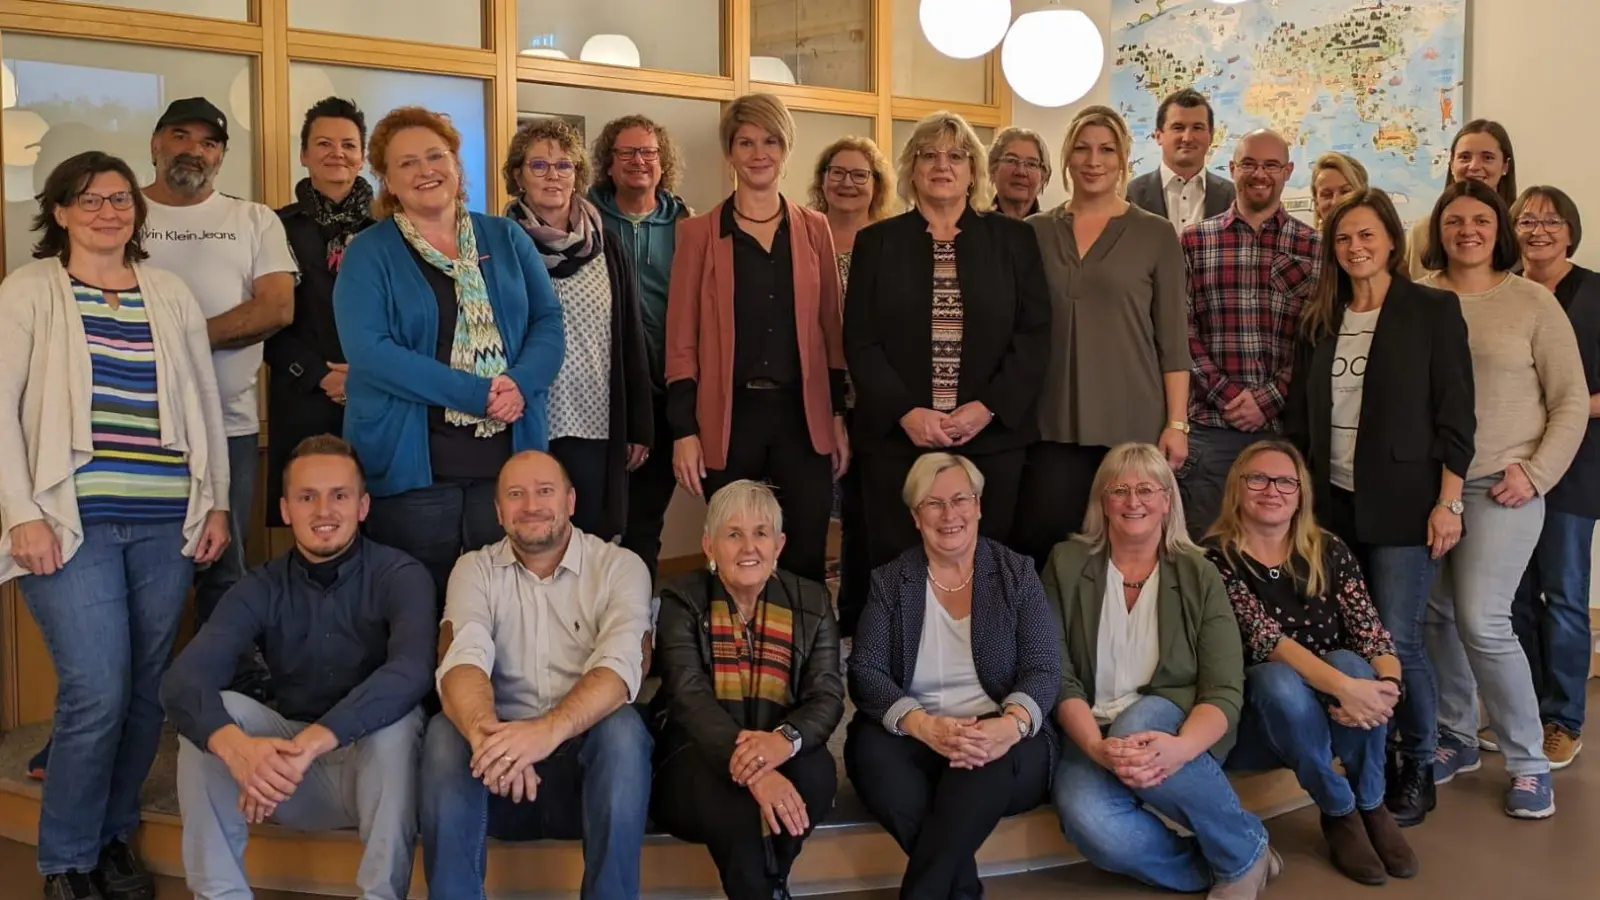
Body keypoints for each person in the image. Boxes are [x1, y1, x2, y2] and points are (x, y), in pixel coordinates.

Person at [0, 151, 231, 900]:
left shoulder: (167, 292)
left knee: (141, 694)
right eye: (89, 200)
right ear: (61, 212)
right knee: (96, 688)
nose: (109, 211)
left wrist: (216, 500)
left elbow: (204, 403)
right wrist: (20, 516)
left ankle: (111, 840)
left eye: (120, 199)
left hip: (167, 522)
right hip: (72, 525)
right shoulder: (29, 290)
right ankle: (65, 858)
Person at [161, 435, 436, 900]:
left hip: (374, 774)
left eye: (339, 496)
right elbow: (183, 679)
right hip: (284, 778)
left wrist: (313, 741)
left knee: (399, 724)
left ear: (363, 506)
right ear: (286, 509)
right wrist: (237, 750)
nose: (323, 511)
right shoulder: (260, 586)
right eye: (307, 497)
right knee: (214, 716)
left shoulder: (401, 575)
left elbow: (410, 671)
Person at [1284, 186, 1474, 825]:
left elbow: (1456, 418)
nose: (1355, 247)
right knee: (1349, 640)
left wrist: (1450, 503)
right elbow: (1301, 419)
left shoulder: (1431, 310)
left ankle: (1418, 759)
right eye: (1343, 238)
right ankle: (1376, 757)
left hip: (1404, 507)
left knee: (1397, 639)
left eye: (1367, 235)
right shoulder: (1321, 315)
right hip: (1331, 506)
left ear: (1392, 240)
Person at [333, 106, 565, 611]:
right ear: (387, 180)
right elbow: (370, 352)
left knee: (507, 603)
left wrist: (520, 383)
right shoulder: (368, 253)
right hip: (413, 469)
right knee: (416, 607)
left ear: (457, 166)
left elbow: (548, 322)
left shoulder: (505, 238)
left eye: (436, 156)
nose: (425, 170)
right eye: (407, 163)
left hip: (506, 463)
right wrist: (477, 393)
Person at [1416, 178, 1587, 819]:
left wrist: (1536, 474)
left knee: (1484, 621)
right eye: (1454, 220)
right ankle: (1457, 736)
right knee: (1435, 618)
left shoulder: (1534, 303)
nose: (1467, 231)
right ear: (1440, 229)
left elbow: (1570, 400)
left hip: (1503, 488)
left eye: (1481, 220)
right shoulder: (1420, 298)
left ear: (1499, 230)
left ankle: (1527, 760)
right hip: (1430, 489)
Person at [1043, 442, 1276, 899]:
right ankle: (1237, 857)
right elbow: (1056, 672)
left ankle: (1239, 860)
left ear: (1168, 500)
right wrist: (1094, 745)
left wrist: (1182, 748)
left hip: (1175, 725)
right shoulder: (1066, 564)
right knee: (1086, 817)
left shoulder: (1199, 573)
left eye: (1148, 489)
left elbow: (1224, 688)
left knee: (1137, 721)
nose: (1134, 502)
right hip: (1091, 726)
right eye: (1120, 490)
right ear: (1102, 501)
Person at [420, 450, 654, 900]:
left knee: (624, 730)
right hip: (493, 769)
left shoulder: (620, 568)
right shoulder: (474, 569)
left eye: (544, 491)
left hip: (585, 769)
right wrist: (490, 740)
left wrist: (546, 733)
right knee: (443, 734)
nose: (530, 505)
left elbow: (622, 666)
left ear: (570, 500)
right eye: (515, 494)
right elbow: (462, 658)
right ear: (498, 510)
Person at [845, 453, 1058, 900]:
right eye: (933, 503)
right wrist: (923, 725)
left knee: (980, 760)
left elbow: (1042, 667)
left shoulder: (1016, 573)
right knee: (870, 752)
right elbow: (866, 671)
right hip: (917, 734)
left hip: (1000, 736)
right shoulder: (891, 580)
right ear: (915, 516)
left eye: (960, 499)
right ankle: (960, 889)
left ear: (978, 505)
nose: (949, 514)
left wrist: (1008, 725)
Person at [844, 111, 1051, 570]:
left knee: (987, 566)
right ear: (911, 169)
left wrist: (987, 407)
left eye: (956, 156)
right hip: (899, 439)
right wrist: (906, 412)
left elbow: (1034, 335)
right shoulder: (877, 242)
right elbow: (860, 340)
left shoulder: (1015, 240)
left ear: (974, 171)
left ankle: (985, 645)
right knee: (900, 567)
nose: (943, 165)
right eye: (929, 155)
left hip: (991, 437)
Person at [1207, 441, 1416, 886]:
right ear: (1237, 488)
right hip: (1265, 714)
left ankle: (1372, 803)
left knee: (1357, 664)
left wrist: (1387, 687)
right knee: (1278, 679)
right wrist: (1347, 688)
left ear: (1301, 493)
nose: (1272, 490)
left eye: (1286, 481)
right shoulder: (1214, 558)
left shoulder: (1329, 548)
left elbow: (1370, 630)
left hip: (1340, 703)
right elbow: (1268, 641)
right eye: (1258, 479)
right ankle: (1338, 808)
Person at [665, 93, 848, 585]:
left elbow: (832, 330)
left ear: (785, 149)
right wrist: (684, 431)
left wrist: (837, 416)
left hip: (802, 418)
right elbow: (681, 339)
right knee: (734, 554)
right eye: (745, 142)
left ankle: (805, 658)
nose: (758, 152)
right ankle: (735, 656)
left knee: (805, 549)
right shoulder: (698, 233)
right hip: (730, 418)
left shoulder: (815, 229)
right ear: (730, 153)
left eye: (770, 141)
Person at [140, 97, 297, 629]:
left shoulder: (251, 219)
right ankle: (147, 702)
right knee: (147, 572)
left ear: (221, 157)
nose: (194, 151)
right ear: (156, 144)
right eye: (181, 136)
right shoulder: (119, 213)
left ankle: (221, 693)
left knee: (225, 568)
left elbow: (277, 306)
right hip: (135, 430)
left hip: (229, 428)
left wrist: (180, 340)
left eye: (209, 143)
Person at [649, 480, 844, 900]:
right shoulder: (679, 598)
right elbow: (689, 698)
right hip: (696, 752)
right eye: (733, 534)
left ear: (780, 544)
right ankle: (764, 890)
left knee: (815, 777)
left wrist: (782, 742)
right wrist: (757, 768)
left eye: (760, 533)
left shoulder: (811, 600)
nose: (748, 547)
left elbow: (826, 697)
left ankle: (772, 880)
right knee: (733, 804)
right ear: (709, 545)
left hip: (780, 741)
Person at [1015, 105, 1191, 565]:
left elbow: (1173, 340)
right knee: (1044, 548)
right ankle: (1045, 640)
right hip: (1049, 425)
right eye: (1083, 148)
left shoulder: (1156, 235)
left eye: (1106, 150)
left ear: (1123, 159)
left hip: (1132, 424)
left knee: (1126, 552)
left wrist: (1176, 424)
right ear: (1067, 158)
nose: (1094, 160)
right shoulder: (1032, 233)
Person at [502, 116, 653, 540]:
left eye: (564, 165)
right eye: (539, 166)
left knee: (592, 539)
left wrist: (638, 424)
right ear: (518, 175)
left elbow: (630, 338)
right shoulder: (499, 245)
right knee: (532, 537)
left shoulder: (606, 244)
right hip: (528, 417)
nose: (553, 175)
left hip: (596, 420)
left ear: (579, 174)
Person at [1179, 129, 1320, 538]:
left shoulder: (1314, 246)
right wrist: (1226, 395)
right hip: (1210, 431)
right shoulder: (1194, 242)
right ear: (1232, 169)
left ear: (1288, 171)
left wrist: (1270, 397)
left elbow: (1316, 338)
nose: (1260, 174)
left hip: (1283, 432)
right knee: (1205, 555)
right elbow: (1180, 330)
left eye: (1271, 165)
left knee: (1277, 557)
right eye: (1250, 165)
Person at [1507, 185, 1600, 770]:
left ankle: (1563, 719)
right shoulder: (1504, 291)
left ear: (1570, 230)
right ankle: (1524, 710)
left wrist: (1561, 411)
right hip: (1509, 464)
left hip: (1575, 464)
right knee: (1513, 598)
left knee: (1564, 595)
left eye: (1551, 220)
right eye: (1526, 220)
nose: (1538, 230)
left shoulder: (1595, 292)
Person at [589, 115, 693, 583]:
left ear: (662, 161)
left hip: (664, 391)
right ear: (608, 164)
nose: (639, 162)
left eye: (648, 153)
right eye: (627, 153)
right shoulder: (584, 218)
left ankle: (639, 631)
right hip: (601, 392)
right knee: (592, 521)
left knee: (645, 524)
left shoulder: (688, 226)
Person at [267, 97, 374, 526]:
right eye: (324, 143)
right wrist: (319, 375)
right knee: (313, 518)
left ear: (363, 156)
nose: (337, 153)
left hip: (376, 394)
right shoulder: (273, 228)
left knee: (377, 514)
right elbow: (265, 318)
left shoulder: (390, 230)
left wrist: (364, 374)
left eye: (348, 144)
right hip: (303, 396)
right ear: (304, 154)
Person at [809, 134, 895, 636]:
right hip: (812, 395)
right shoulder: (802, 235)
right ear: (822, 181)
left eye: (859, 174)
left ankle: (859, 621)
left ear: (876, 184)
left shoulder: (889, 242)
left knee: (865, 515)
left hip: (872, 401)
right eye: (837, 172)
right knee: (812, 512)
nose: (847, 183)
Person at [1407, 119, 1517, 276]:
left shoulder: (1522, 228)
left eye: (1488, 157)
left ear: (1505, 166)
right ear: (1451, 165)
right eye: (1464, 157)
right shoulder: (1423, 231)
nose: (1474, 166)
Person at [1127, 88, 1236, 233]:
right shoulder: (1130, 196)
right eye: (1178, 127)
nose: (1187, 138)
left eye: (1197, 128)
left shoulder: (1233, 197)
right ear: (1158, 136)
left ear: (1211, 136)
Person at [987, 126, 1051, 219]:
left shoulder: (1051, 230)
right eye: (1011, 161)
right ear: (993, 169)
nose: (1021, 172)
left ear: (1043, 176)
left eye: (1031, 164)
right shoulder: (972, 228)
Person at [1310, 152, 1369, 227]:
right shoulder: (1306, 238)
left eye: (1345, 192)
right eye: (1327, 194)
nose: (1335, 202)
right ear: (1316, 203)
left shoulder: (1383, 237)